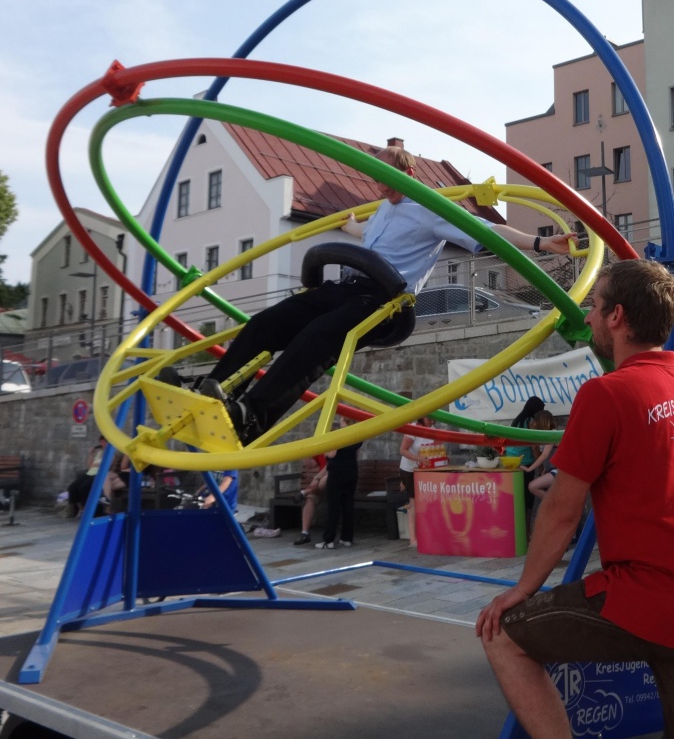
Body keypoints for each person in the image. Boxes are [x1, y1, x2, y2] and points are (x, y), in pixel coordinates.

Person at [475, 259, 674, 739]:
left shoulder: (606, 395)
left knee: (504, 635)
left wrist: (522, 589)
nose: (591, 318)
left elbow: (561, 510)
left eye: (595, 307)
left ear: (617, 317)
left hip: (644, 600)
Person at [183, 145, 575, 444]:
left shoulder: (431, 207)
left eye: (384, 174)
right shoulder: (383, 211)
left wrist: (540, 243)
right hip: (349, 287)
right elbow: (366, 236)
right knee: (267, 322)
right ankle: (217, 391)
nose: (377, 182)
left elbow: (486, 232)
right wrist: (352, 225)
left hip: (387, 301)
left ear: (406, 172)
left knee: (318, 338)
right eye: (375, 176)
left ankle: (251, 417)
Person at [316, 416, 363, 549]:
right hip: (352, 471)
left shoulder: (339, 435)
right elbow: (356, 454)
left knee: (334, 506)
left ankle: (328, 540)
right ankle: (347, 538)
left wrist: (325, 447)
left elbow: (332, 454)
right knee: (348, 504)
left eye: (341, 419)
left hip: (337, 472)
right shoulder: (358, 435)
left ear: (344, 421)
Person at [399, 416, 440, 548]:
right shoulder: (413, 429)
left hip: (425, 470)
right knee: (414, 502)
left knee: (427, 501)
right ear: (422, 417)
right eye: (429, 419)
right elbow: (403, 450)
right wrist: (418, 459)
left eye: (433, 419)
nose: (431, 422)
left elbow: (435, 449)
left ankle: (428, 534)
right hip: (410, 469)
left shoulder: (432, 429)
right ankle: (413, 539)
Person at [522, 410, 557, 501]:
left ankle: (554, 505)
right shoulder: (549, 435)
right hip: (553, 470)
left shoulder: (552, 434)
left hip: (560, 471)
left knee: (533, 486)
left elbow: (544, 455)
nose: (534, 423)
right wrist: (545, 469)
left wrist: (529, 469)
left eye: (536, 421)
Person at [292, 455, 328, 546]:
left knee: (325, 479)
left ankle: (304, 492)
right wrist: (306, 450)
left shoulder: (335, 448)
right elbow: (310, 465)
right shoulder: (321, 448)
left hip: (332, 482)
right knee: (310, 498)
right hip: (319, 487)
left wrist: (317, 477)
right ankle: (305, 533)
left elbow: (332, 465)